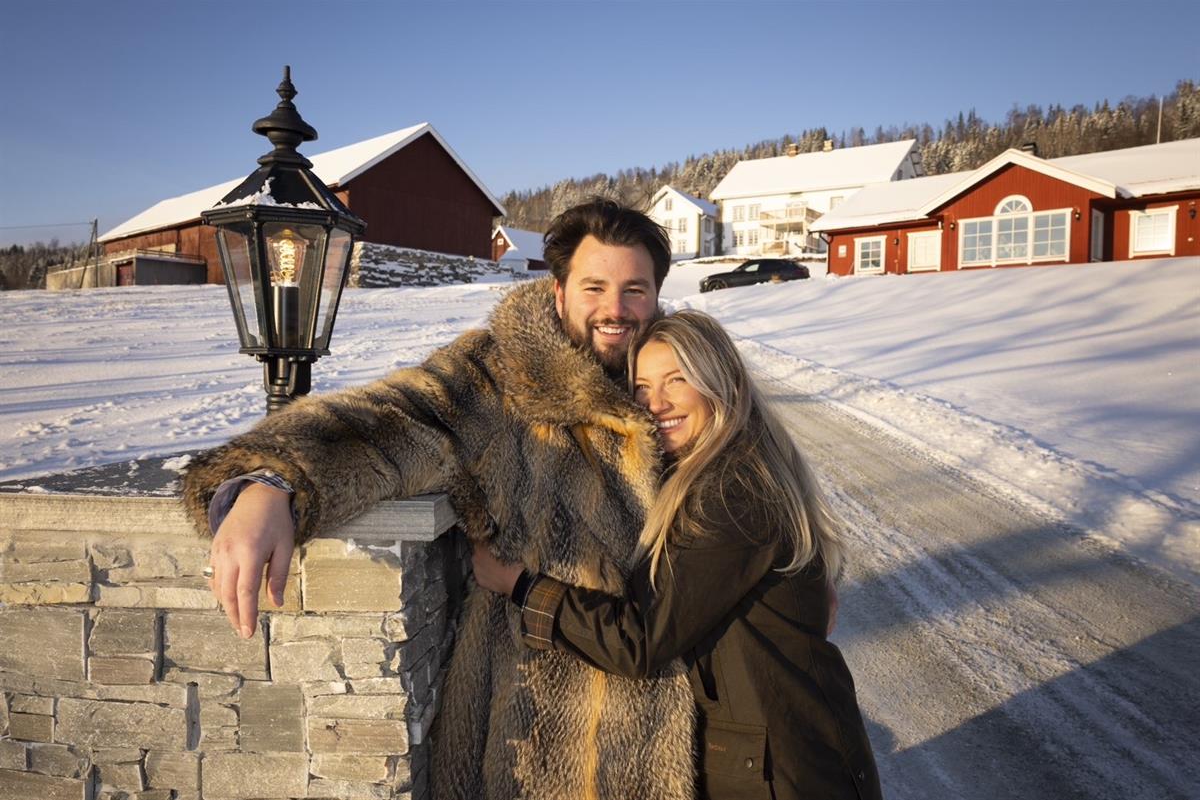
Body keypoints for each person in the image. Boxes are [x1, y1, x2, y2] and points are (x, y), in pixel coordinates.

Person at [182, 199, 696, 799]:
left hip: (685, 710)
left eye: (634, 289)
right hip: (541, 727)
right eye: (595, 287)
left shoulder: (683, 372)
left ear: (657, 295)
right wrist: (272, 480)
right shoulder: (501, 377)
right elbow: (388, 419)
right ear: (558, 292)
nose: (615, 309)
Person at [472, 310, 883, 800]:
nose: (656, 402)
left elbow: (641, 640)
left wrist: (518, 584)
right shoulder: (722, 463)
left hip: (782, 774)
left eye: (676, 380)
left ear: (719, 383)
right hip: (786, 751)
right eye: (642, 387)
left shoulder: (732, 492)